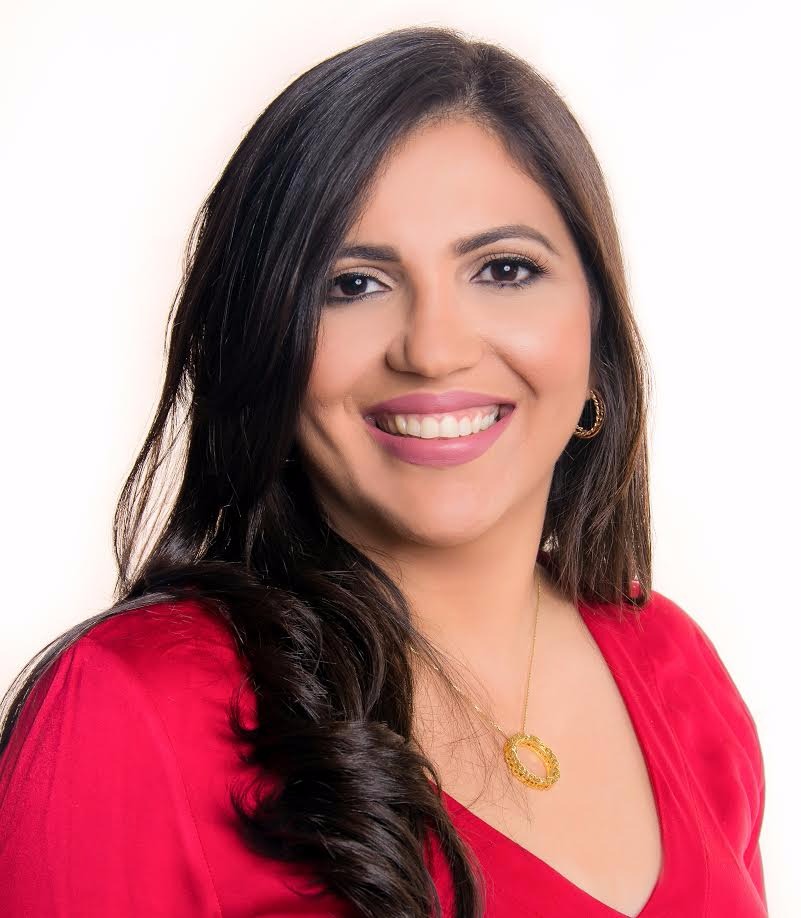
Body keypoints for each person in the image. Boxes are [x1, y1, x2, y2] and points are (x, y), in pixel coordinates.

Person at [0, 25, 767, 918]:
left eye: (504, 269)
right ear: (267, 350)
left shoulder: (671, 664)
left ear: (595, 331)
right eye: (352, 284)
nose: (432, 350)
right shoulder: (128, 708)